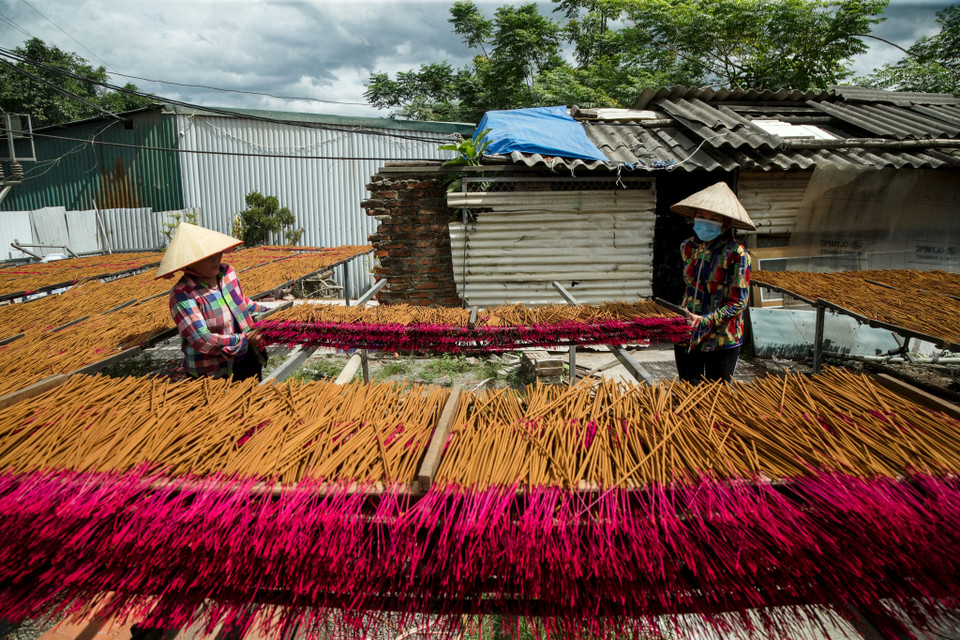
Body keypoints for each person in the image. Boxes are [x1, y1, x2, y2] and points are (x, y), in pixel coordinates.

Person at [156, 222, 270, 381]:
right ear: (190, 263)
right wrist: (244, 339)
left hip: (247, 360)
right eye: (208, 256)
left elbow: (242, 303)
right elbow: (203, 340)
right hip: (213, 375)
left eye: (217, 252)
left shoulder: (227, 273)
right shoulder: (182, 294)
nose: (216, 258)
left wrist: (271, 314)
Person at [669, 181, 755, 384]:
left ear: (725, 224)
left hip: (722, 338)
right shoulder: (687, 247)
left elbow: (739, 302)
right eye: (701, 216)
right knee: (689, 392)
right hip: (688, 332)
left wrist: (705, 320)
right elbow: (689, 287)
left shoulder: (737, 254)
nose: (705, 222)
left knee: (717, 397)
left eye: (713, 219)